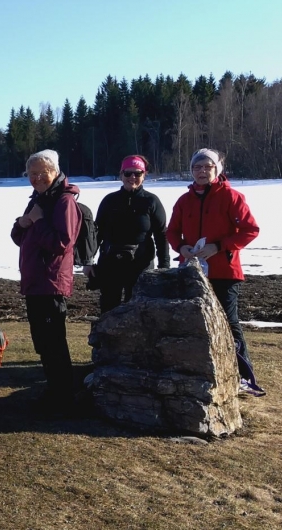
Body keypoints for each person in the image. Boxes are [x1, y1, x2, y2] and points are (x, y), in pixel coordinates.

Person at [166, 148, 264, 397]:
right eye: (196, 167)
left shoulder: (232, 197)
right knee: (192, 322)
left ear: (217, 170)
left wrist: (219, 246)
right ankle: (199, 370)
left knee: (229, 323)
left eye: (206, 167)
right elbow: (172, 231)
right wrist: (182, 247)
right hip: (192, 271)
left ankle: (243, 376)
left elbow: (250, 230)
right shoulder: (184, 200)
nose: (201, 171)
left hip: (224, 271)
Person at [10, 149, 81, 411]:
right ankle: (54, 392)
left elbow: (62, 243)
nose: (38, 178)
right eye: (32, 174)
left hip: (51, 284)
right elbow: (18, 238)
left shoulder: (64, 202)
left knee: (54, 343)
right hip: (34, 283)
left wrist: (37, 222)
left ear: (56, 172)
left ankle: (63, 399)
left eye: (43, 173)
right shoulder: (38, 199)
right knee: (43, 342)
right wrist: (23, 223)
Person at [85, 155, 170, 313]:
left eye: (137, 173)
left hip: (140, 265)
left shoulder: (151, 201)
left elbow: (161, 235)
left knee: (139, 312)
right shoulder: (109, 201)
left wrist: (163, 267)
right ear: (121, 175)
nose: (132, 177)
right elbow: (97, 233)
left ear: (144, 175)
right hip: (110, 263)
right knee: (109, 311)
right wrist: (88, 260)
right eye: (128, 173)